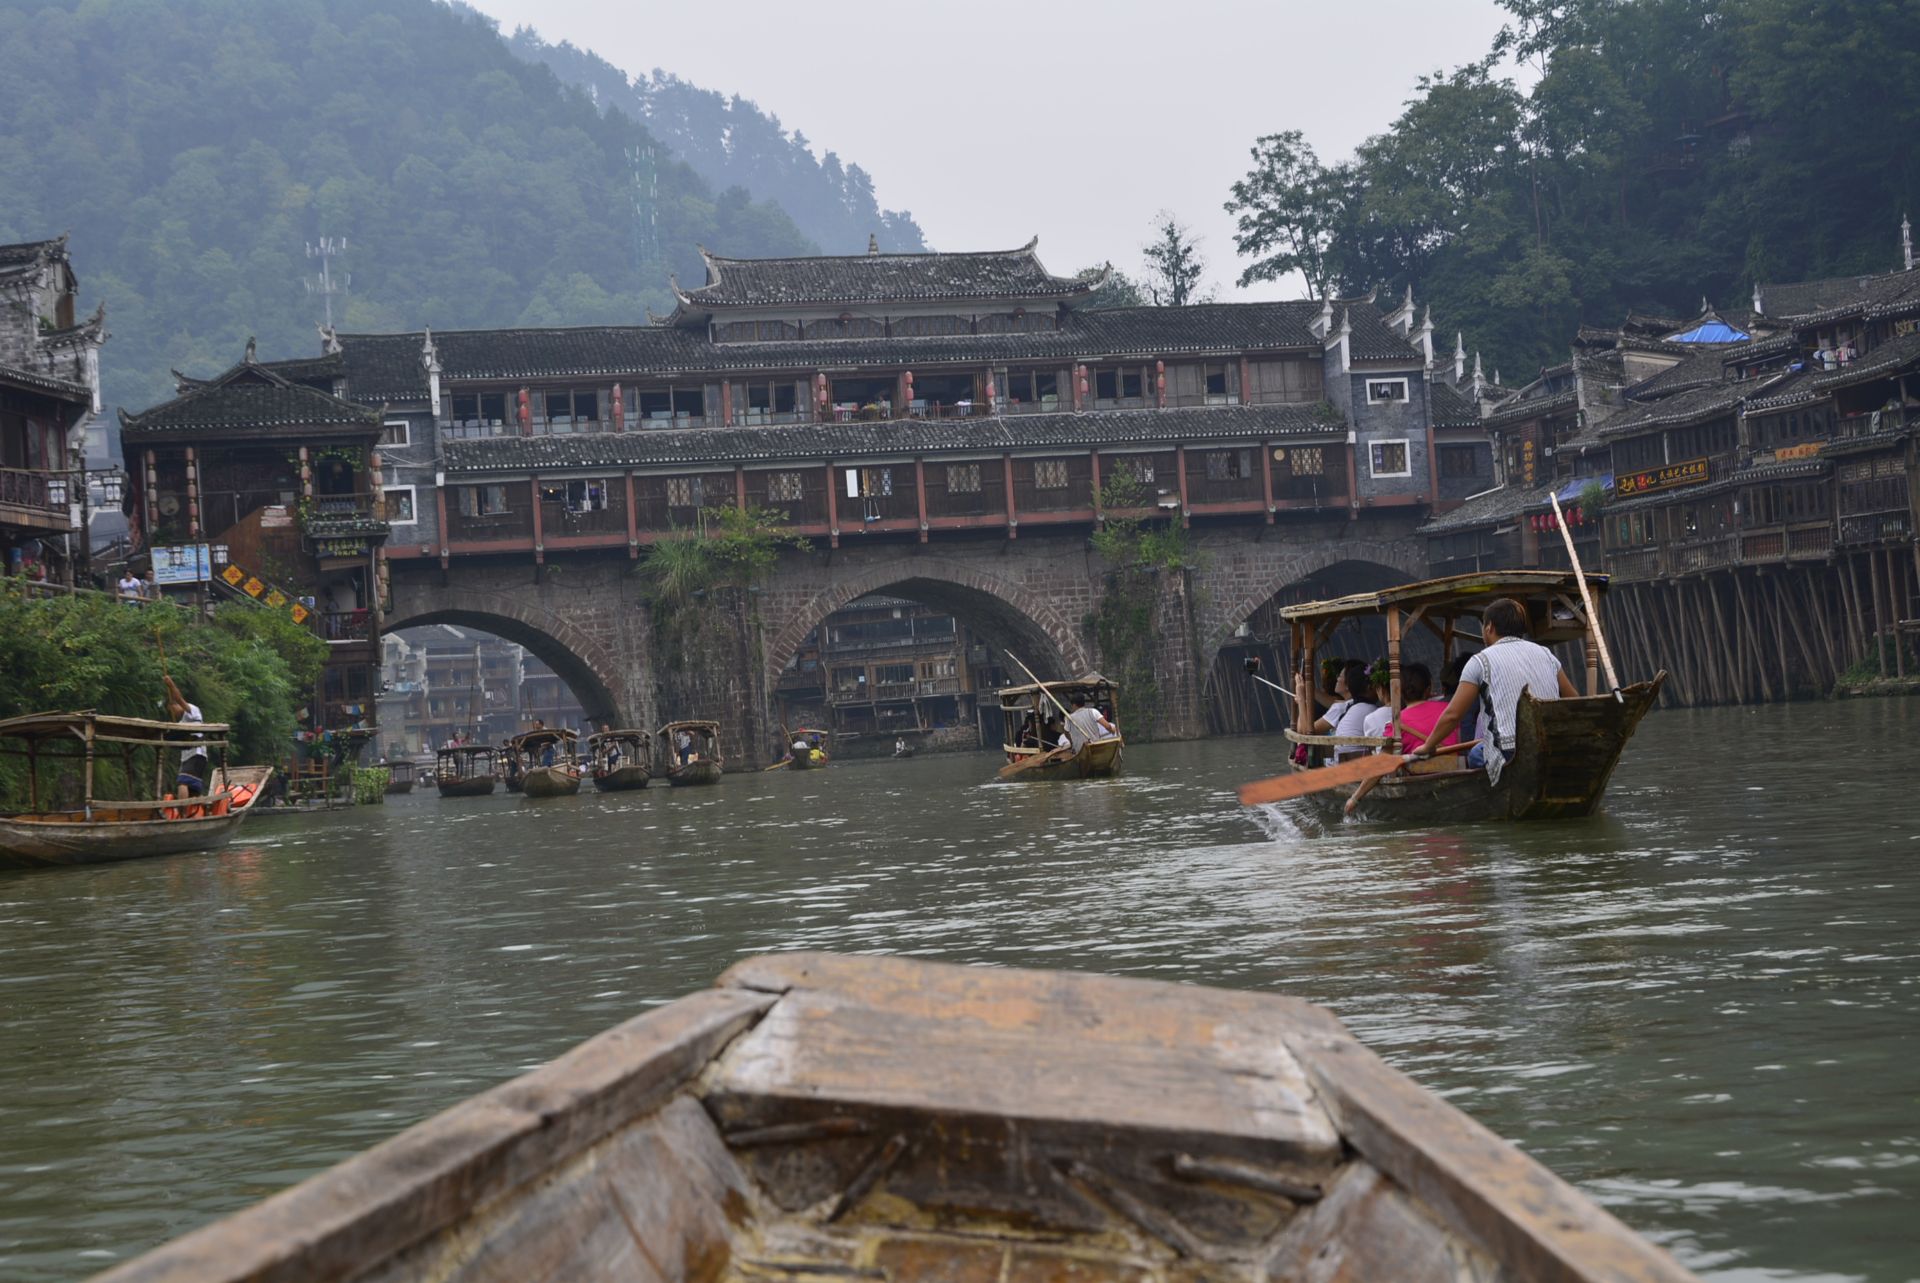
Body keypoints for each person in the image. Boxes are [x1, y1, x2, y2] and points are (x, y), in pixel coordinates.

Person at [1410, 598, 1578, 783]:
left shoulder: (1480, 661)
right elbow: (1574, 700)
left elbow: (1453, 715)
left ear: (1489, 627)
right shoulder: (1547, 654)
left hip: (1509, 753)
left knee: (1475, 754)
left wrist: (1428, 746)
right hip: (1552, 745)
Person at [1313, 661, 1378, 761]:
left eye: (1340, 675)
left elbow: (1307, 730)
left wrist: (1303, 699)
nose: (1337, 679)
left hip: (1339, 764)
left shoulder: (1347, 706)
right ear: (1370, 688)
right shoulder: (1373, 711)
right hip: (1356, 767)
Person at [163, 676, 207, 804]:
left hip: (196, 754)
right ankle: (197, 813)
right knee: (193, 789)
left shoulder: (192, 710)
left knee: (182, 782)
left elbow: (179, 699)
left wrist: (171, 685)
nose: (173, 712)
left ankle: (183, 814)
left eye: (172, 709)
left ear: (175, 705)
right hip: (189, 757)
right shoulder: (181, 723)